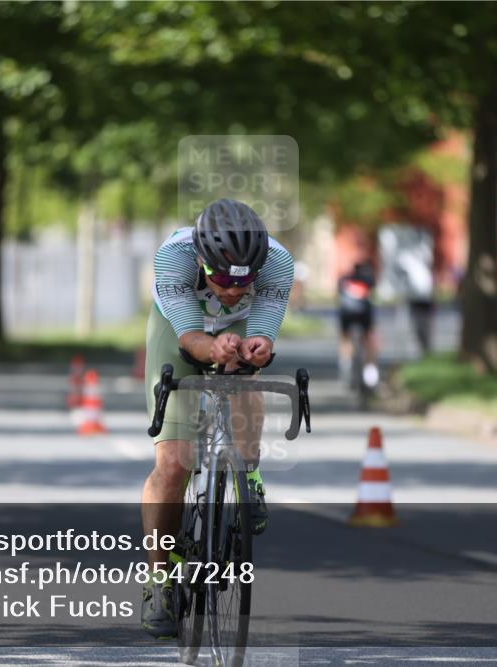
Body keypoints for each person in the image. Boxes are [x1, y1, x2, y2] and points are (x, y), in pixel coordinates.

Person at [140, 198, 294, 638]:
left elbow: (263, 331)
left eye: (243, 282)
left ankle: (249, 474)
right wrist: (212, 348)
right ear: (201, 261)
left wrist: (257, 347)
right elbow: (190, 338)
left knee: (244, 375)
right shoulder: (173, 258)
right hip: (178, 328)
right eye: (222, 279)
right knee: (174, 463)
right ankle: (159, 580)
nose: (231, 290)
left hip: (239, 324)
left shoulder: (278, 263)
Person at [337, 260, 379, 388]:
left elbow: (339, 293)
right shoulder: (368, 279)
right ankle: (370, 369)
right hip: (364, 314)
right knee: (369, 337)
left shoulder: (344, 279)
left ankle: (346, 363)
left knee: (345, 337)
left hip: (346, 313)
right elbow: (372, 293)